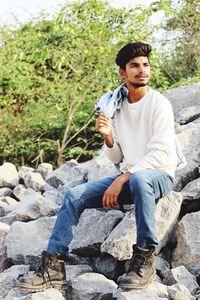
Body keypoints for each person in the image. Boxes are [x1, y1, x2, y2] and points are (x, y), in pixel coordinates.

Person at [16, 42, 177, 292]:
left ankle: (145, 257)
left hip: (157, 177)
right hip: (132, 178)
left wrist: (121, 179)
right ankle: (54, 267)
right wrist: (108, 136)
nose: (142, 70)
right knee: (73, 196)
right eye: (134, 66)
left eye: (146, 65)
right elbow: (116, 155)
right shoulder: (117, 107)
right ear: (123, 73)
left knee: (139, 179)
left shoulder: (159, 104)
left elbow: (161, 153)